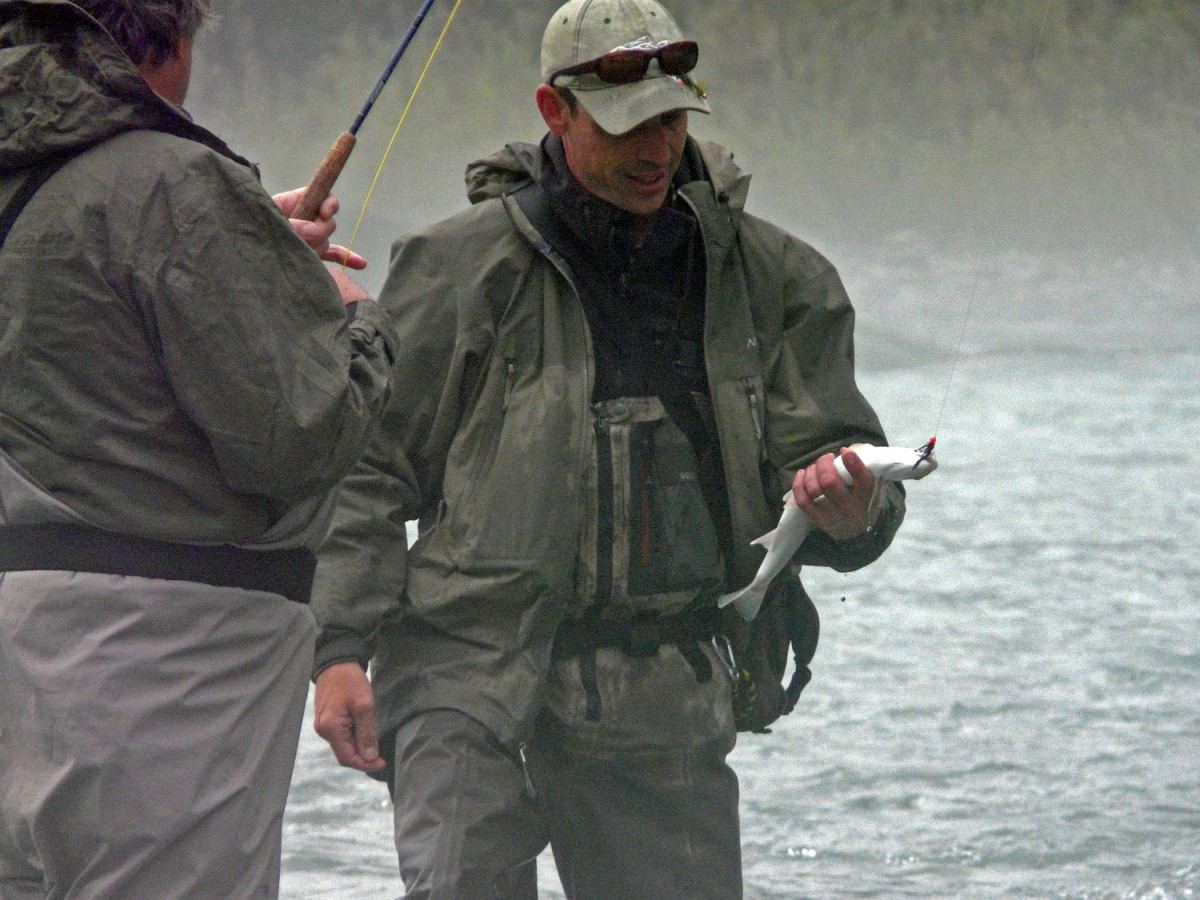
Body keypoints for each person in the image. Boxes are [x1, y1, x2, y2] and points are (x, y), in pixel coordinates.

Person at [312, 0, 907, 896]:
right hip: (460, 671)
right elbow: (364, 470)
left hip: (658, 685)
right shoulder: (456, 268)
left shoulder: (776, 277)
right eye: (629, 123)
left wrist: (856, 507)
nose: (657, 148)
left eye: (672, 119)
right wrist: (337, 651)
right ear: (557, 112)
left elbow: (847, 466)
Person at [0, 1, 398, 897]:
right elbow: (299, 435)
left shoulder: (34, 168)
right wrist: (352, 322)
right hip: (155, 672)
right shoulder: (173, 182)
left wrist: (243, 247)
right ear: (170, 42)